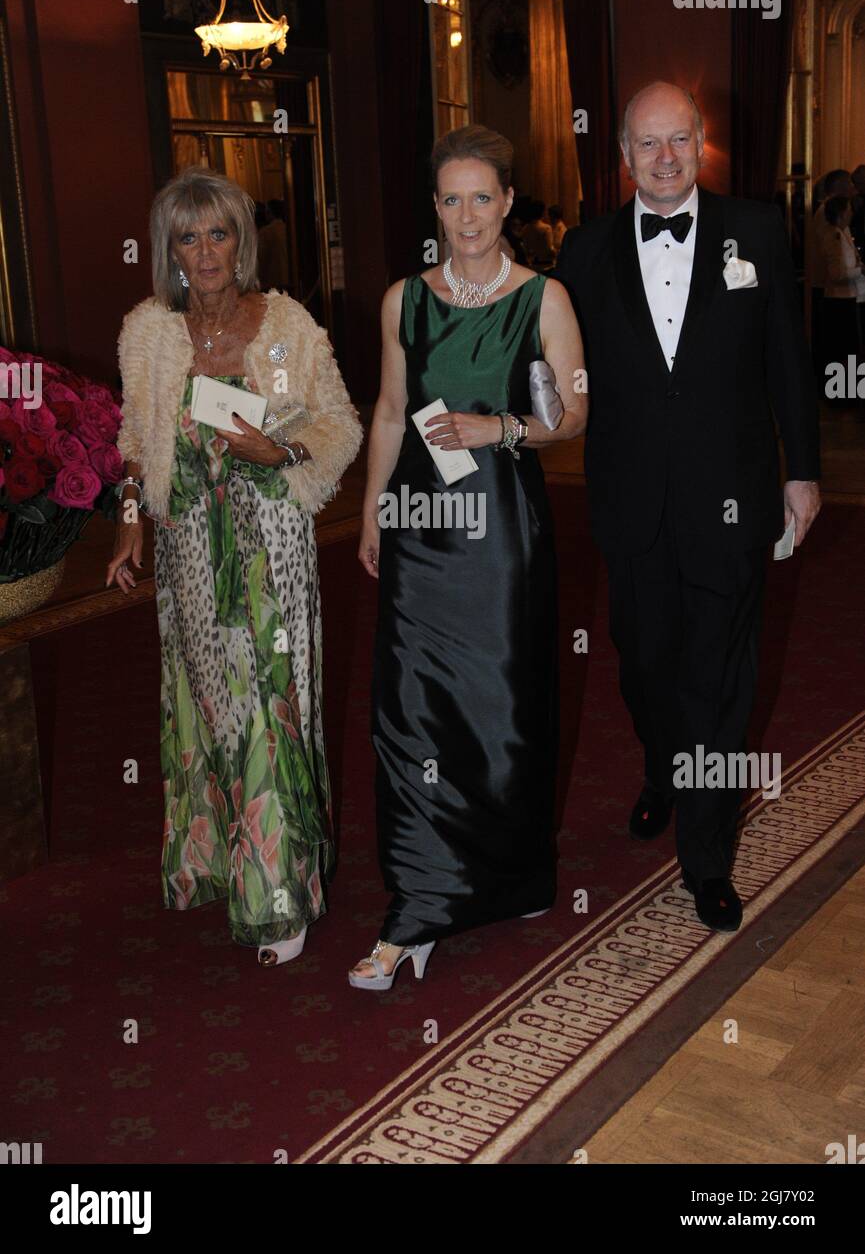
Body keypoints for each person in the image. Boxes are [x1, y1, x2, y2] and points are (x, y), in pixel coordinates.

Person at [554, 81, 821, 933]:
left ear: (699, 143)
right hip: (630, 500)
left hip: (733, 500)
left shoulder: (754, 231)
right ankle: (665, 766)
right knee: (644, 664)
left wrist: (801, 471)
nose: (664, 158)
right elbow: (553, 370)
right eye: (646, 144)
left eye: (679, 142)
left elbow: (787, 355)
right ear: (622, 155)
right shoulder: (584, 252)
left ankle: (706, 858)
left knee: (720, 680)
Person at [351, 124, 587, 989]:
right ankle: (417, 903)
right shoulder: (401, 300)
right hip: (420, 523)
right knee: (411, 706)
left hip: (500, 528)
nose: (465, 215)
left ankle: (514, 869)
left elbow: (575, 417)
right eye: (450, 199)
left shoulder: (544, 299)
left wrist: (502, 429)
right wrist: (375, 513)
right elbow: (386, 410)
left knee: (503, 700)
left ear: (508, 202)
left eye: (480, 197)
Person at [107, 167, 362, 966]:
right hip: (187, 550)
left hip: (272, 550)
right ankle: (224, 858)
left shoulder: (285, 326)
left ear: (241, 241)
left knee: (270, 707)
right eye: (188, 236)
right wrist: (126, 530)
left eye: (219, 233)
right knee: (210, 706)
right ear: (169, 249)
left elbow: (341, 427)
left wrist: (278, 448)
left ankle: (280, 895)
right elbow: (130, 448)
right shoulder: (148, 335)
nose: (205, 251)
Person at [821, 195, 863, 402]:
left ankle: (849, 391)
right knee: (842, 350)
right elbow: (837, 273)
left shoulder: (842, 233)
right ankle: (842, 393)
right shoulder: (833, 237)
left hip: (847, 297)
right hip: (839, 300)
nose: (852, 212)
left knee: (849, 349)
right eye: (849, 208)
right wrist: (859, 270)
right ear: (841, 212)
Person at [521, 199, 556, 270]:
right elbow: (549, 248)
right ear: (543, 212)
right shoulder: (546, 228)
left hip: (532, 264)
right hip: (546, 264)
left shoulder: (525, 228)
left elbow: (525, 246)